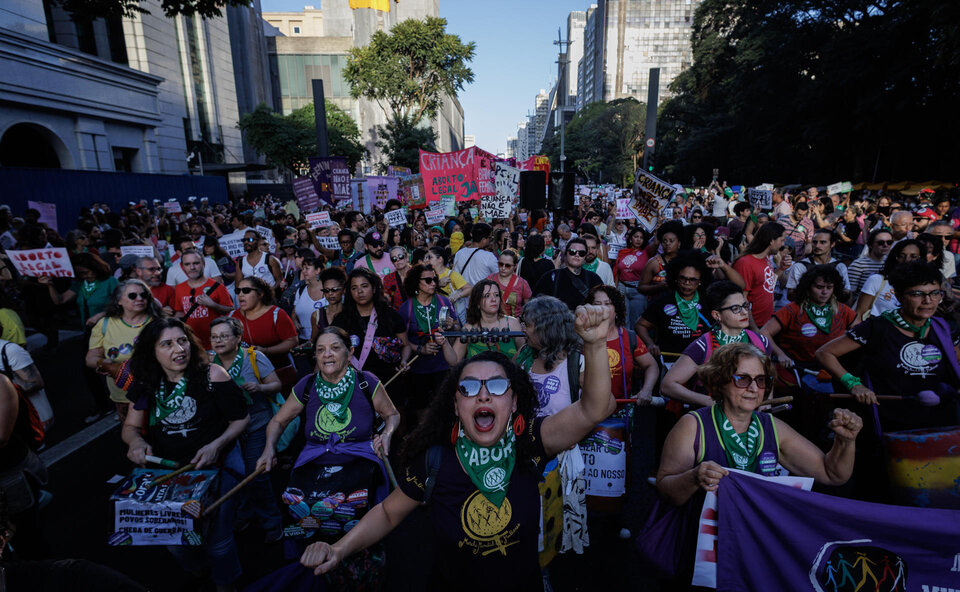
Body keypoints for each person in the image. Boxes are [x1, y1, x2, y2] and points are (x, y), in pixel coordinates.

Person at [298, 305, 615, 590]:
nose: (484, 396)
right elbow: (387, 513)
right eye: (469, 387)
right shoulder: (435, 457)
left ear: (515, 400)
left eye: (498, 385)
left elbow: (593, 410)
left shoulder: (530, 441)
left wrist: (596, 343)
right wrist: (338, 548)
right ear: (454, 404)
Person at [122, 318, 249, 592]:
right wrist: (135, 443)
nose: (179, 349)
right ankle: (198, 569)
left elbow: (240, 419)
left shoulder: (212, 375)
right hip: (171, 471)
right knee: (173, 541)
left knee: (218, 540)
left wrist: (217, 444)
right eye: (166, 344)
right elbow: (130, 427)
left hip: (218, 465)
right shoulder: (146, 382)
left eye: (182, 341)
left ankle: (227, 584)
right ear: (152, 351)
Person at [657, 343, 862, 506]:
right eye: (743, 379)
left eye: (761, 380)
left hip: (753, 541)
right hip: (702, 544)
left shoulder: (773, 427)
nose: (754, 388)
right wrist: (694, 477)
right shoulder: (693, 425)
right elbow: (666, 491)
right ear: (719, 381)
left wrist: (845, 441)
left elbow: (832, 474)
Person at [817, 261, 959, 429]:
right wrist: (854, 384)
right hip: (888, 423)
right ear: (898, 296)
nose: (928, 300)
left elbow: (955, 362)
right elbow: (824, 353)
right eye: (917, 294)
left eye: (935, 293)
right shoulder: (876, 327)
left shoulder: (943, 328)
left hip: (937, 421)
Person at [208, 317, 284, 542]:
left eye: (224, 336)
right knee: (234, 476)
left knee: (257, 475)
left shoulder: (254, 357)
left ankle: (272, 523)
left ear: (238, 338)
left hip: (257, 426)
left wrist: (260, 387)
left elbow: (277, 384)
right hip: (227, 431)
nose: (218, 341)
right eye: (214, 337)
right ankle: (244, 513)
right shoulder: (209, 362)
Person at [662, 281, 773, 408]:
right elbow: (668, 385)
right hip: (711, 420)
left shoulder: (761, 342)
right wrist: (710, 401)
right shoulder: (703, 346)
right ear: (716, 315)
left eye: (745, 306)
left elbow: (767, 377)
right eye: (735, 309)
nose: (744, 312)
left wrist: (766, 401)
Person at [86, 279, 163, 421]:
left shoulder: (159, 322)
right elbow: (91, 357)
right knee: (133, 433)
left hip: (159, 390)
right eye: (132, 296)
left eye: (144, 295)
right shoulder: (105, 324)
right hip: (123, 395)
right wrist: (103, 363)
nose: (139, 298)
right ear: (119, 301)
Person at [763, 264, 857, 370]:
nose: (825, 292)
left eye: (829, 287)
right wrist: (780, 354)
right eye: (819, 287)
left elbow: (860, 333)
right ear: (808, 287)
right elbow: (764, 332)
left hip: (832, 369)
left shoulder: (843, 310)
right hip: (797, 368)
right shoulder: (793, 309)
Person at [332, 268, 407, 387]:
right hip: (354, 384)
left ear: (374, 288)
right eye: (354, 288)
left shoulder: (390, 315)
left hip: (389, 382)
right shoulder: (341, 320)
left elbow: (406, 345)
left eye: (364, 286)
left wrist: (404, 361)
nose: (359, 291)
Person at [398, 264, 458, 413]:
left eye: (435, 279)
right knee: (421, 409)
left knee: (444, 408)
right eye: (428, 280)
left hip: (442, 366)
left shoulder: (444, 302)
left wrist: (452, 325)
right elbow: (401, 341)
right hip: (418, 368)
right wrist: (420, 349)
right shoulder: (407, 308)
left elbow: (458, 329)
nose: (433, 283)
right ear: (416, 282)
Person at [585, 285, 658, 403]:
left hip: (622, 412)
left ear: (617, 309)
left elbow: (651, 365)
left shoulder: (630, 337)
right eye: (597, 304)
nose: (602, 309)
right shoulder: (580, 338)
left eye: (608, 304)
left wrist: (646, 390)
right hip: (587, 410)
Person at [228, 277, 299, 394]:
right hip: (246, 380)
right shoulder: (231, 317)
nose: (240, 295)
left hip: (280, 374)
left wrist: (266, 351)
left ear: (260, 293)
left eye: (246, 290)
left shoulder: (277, 314)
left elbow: (292, 341)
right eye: (238, 291)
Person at [636, 251, 712, 358]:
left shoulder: (707, 302)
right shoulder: (663, 301)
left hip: (700, 361)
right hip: (668, 360)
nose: (687, 283)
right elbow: (640, 325)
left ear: (700, 281)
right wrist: (650, 343)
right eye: (683, 278)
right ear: (675, 278)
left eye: (693, 280)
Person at [733, 222, 792, 330]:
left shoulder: (766, 258)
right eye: (782, 240)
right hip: (751, 326)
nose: (783, 244)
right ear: (771, 241)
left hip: (764, 323)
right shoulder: (745, 263)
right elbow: (742, 299)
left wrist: (782, 268)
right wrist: (755, 330)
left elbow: (767, 282)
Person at [450, 280, 525, 363]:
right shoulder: (469, 328)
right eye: (487, 296)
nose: (493, 299)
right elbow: (454, 361)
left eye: (496, 295)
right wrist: (444, 343)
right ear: (477, 302)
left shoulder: (512, 323)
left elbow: (524, 353)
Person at [173, 250, 234, 350]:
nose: (192, 267)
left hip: (216, 344)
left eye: (196, 263)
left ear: (203, 264)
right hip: (191, 345)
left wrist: (213, 305)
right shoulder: (179, 288)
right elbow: (180, 313)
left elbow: (231, 310)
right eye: (187, 264)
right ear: (182, 267)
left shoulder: (217, 286)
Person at [854, 239, 923, 320]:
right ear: (895, 258)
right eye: (901, 256)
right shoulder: (877, 280)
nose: (907, 260)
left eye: (913, 256)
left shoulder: (923, 287)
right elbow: (859, 315)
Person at [532, 237, 603, 311]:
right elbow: (535, 305)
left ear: (585, 256)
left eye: (581, 253)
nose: (577, 255)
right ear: (566, 254)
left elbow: (602, 306)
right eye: (572, 252)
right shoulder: (550, 277)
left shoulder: (594, 279)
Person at [784, 229, 850, 301]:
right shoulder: (800, 266)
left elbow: (846, 292)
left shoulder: (839, 266)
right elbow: (790, 295)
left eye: (822, 242)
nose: (817, 246)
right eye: (814, 242)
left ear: (832, 244)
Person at [615, 227, 652, 330]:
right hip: (622, 288)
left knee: (636, 320)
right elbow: (617, 271)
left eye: (641, 237)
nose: (638, 239)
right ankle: (625, 344)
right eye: (636, 237)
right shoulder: (622, 252)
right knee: (623, 320)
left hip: (638, 290)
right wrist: (615, 288)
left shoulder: (646, 252)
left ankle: (636, 344)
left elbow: (656, 243)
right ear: (631, 238)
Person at [638, 221, 683, 300]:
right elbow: (641, 287)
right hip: (658, 306)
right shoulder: (654, 262)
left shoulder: (685, 261)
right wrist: (658, 287)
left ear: (679, 243)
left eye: (671, 241)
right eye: (664, 241)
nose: (667, 243)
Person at [424, 246, 470, 320]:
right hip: (431, 313)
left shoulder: (452, 274)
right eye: (425, 257)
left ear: (440, 259)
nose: (426, 260)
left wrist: (456, 296)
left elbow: (469, 289)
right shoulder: (426, 274)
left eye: (429, 257)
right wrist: (438, 284)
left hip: (449, 315)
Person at [846, 229, 893, 297]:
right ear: (870, 245)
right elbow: (850, 293)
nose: (885, 245)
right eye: (880, 242)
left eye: (889, 242)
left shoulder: (891, 263)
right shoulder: (858, 265)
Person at [487, 249, 531, 317]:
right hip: (493, 322)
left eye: (507, 266)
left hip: (514, 325)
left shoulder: (522, 284)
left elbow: (528, 308)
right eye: (500, 264)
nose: (503, 268)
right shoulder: (490, 279)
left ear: (515, 266)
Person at [291, 257, 326, 341]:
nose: (303, 271)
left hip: (324, 340)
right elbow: (294, 313)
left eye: (307, 268)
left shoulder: (328, 290)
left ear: (317, 270)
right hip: (302, 340)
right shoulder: (301, 290)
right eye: (303, 268)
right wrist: (295, 322)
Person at [308, 267, 347, 341]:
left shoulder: (351, 313)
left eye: (334, 290)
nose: (330, 294)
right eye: (326, 290)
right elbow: (313, 340)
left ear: (344, 290)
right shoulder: (316, 315)